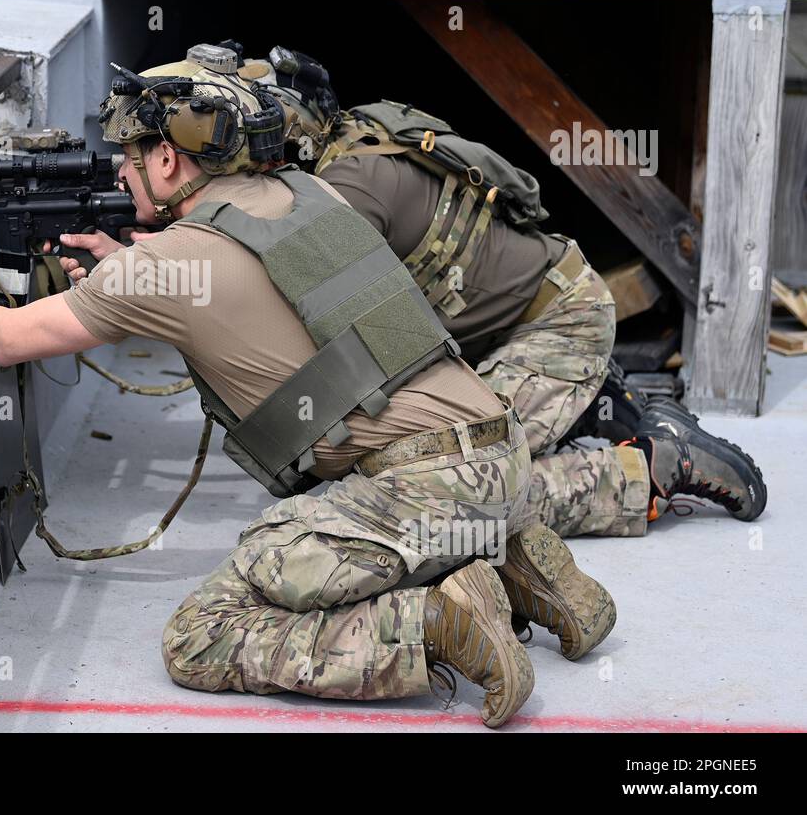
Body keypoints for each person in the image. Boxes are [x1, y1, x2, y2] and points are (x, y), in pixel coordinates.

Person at [0, 46, 616, 727]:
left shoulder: (157, 267)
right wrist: (128, 274)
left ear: (167, 160)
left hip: (423, 487)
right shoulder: (307, 194)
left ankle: (439, 624)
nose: (121, 173)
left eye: (130, 155)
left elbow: (2, 335)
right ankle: (526, 567)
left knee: (202, 634)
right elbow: (250, 295)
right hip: (502, 455)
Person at [248, 47, 766, 538]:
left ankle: (653, 467)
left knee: (445, 490)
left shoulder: (348, 192)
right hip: (509, 323)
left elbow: (345, 349)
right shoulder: (353, 144)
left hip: (556, 323)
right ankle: (583, 403)